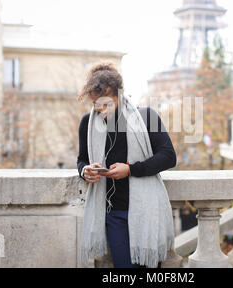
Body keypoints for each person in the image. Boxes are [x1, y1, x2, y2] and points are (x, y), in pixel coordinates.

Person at [76, 62, 177, 268]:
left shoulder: (147, 117)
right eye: (97, 104)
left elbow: (169, 156)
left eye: (107, 104)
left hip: (147, 210)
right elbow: (81, 160)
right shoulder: (87, 123)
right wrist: (85, 171)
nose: (101, 110)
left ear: (120, 96)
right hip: (114, 213)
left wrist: (130, 169)